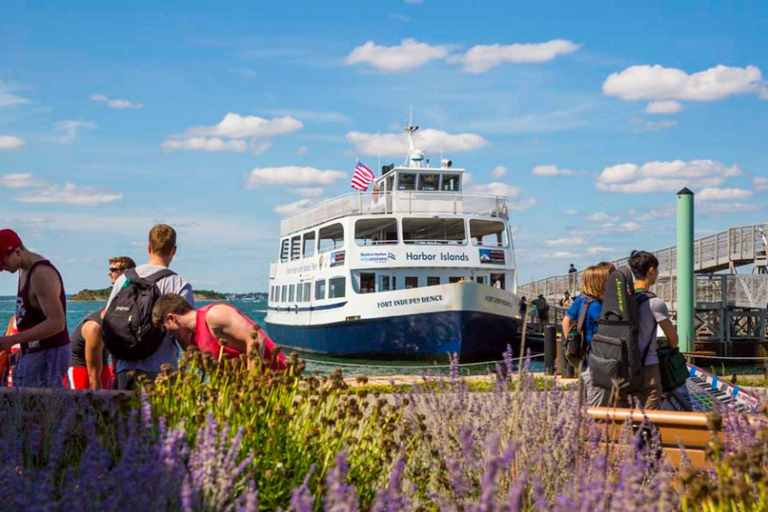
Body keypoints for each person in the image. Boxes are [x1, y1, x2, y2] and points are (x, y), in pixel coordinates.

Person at [104, 224, 194, 390]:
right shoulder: (179, 283)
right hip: (161, 368)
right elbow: (184, 330)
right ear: (174, 250)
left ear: (149, 247)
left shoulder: (124, 279)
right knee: (161, 416)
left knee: (129, 416)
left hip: (126, 368)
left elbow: (110, 322)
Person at [0, 229, 70, 388]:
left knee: (41, 409)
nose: (2, 269)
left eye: (3, 263)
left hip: (49, 354)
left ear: (17, 252)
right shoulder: (22, 270)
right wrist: (23, 349)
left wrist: (12, 340)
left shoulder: (40, 273)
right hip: (34, 352)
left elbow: (57, 323)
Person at [151, 294, 286, 371]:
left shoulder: (214, 315)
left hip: (275, 381)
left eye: (165, 327)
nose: (167, 333)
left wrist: (252, 384)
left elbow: (257, 339)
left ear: (172, 318)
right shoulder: (193, 338)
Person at [628, 250, 678, 410]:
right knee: (649, 414)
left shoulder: (624, 299)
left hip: (624, 366)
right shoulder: (655, 303)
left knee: (629, 412)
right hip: (648, 365)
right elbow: (673, 339)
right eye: (656, 270)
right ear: (651, 270)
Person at [562, 264, 614, 405]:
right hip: (598, 362)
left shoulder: (582, 300)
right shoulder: (597, 306)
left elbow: (566, 321)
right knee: (595, 411)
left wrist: (572, 345)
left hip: (586, 359)